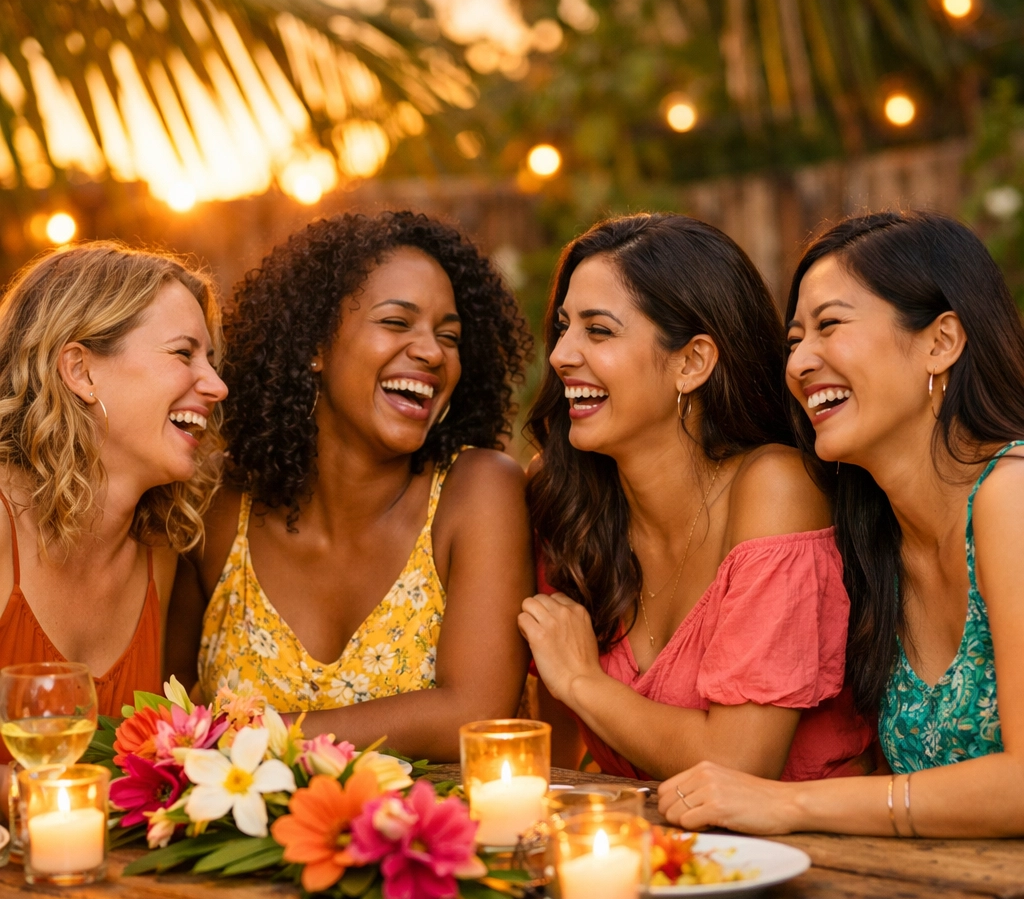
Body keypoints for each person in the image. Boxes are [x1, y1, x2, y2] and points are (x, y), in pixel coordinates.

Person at [658, 211, 1024, 838]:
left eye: (830, 325)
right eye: (794, 339)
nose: (800, 362)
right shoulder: (876, 539)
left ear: (941, 342)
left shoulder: (1010, 495)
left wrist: (790, 805)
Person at [167, 211, 535, 762]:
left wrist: (254, 737)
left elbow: (474, 714)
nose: (432, 352)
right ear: (314, 344)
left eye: (449, 336)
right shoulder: (220, 504)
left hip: (432, 821)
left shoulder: (478, 491)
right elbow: (154, 711)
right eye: (397, 322)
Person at [518, 213, 873, 783]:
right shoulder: (566, 497)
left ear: (692, 363)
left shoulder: (775, 487)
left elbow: (740, 763)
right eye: (563, 327)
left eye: (598, 331)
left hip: (812, 837)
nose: (561, 354)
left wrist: (583, 681)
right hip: (637, 837)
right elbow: (549, 751)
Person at [0, 241, 228, 803]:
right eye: (183, 354)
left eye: (211, 360)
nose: (217, 386)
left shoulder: (159, 551)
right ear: (80, 370)